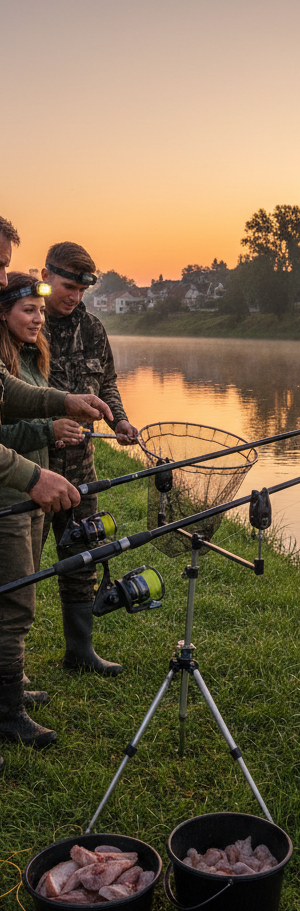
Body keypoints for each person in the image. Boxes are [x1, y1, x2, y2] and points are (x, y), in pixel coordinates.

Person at [0, 220, 115, 756]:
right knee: (16, 592)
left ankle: (62, 659)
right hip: (23, 480)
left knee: (62, 565)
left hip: (61, 469)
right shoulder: (15, 331)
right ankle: (7, 707)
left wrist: (79, 405)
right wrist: (40, 454)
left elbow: (14, 392)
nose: (4, 277)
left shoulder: (89, 329)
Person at [41, 240, 138, 676]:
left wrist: (119, 420)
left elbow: (109, 382)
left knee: (83, 554)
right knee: (18, 562)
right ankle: (12, 668)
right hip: (33, 465)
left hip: (81, 467)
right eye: (67, 286)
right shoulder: (21, 322)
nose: (74, 297)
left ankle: (80, 652)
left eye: (81, 290)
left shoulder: (94, 328)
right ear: (46, 276)